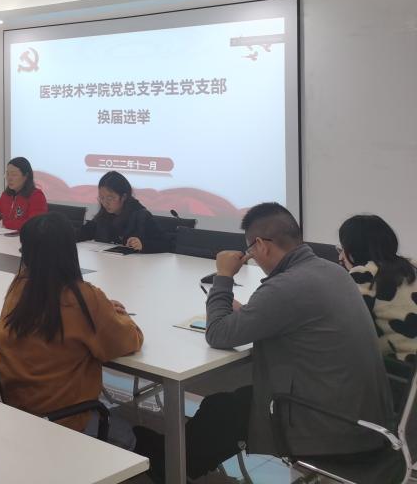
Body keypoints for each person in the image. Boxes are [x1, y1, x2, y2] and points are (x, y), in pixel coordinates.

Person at [135, 203, 394, 480]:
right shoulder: (331, 270)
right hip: (364, 418)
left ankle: (169, 467)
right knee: (223, 404)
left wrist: (224, 276)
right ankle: (174, 456)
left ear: (260, 245)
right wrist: (250, 312)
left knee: (225, 411)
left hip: (331, 426)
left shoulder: (286, 285)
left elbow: (218, 334)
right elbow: (293, 312)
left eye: (250, 250)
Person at [0, 213, 143, 449]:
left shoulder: (19, 286)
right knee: (130, 436)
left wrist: (102, 308)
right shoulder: (83, 299)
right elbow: (128, 340)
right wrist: (116, 313)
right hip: (66, 422)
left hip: (16, 414)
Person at [339, 214, 417, 363]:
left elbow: (345, 328)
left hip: (401, 367)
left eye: (342, 248)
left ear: (353, 250)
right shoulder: (411, 266)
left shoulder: (364, 274)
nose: (341, 257)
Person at [79, 171, 169, 253]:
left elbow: (166, 243)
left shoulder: (141, 216)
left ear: (124, 197)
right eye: (102, 198)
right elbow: (83, 233)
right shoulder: (103, 215)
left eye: (110, 198)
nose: (105, 203)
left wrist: (143, 244)